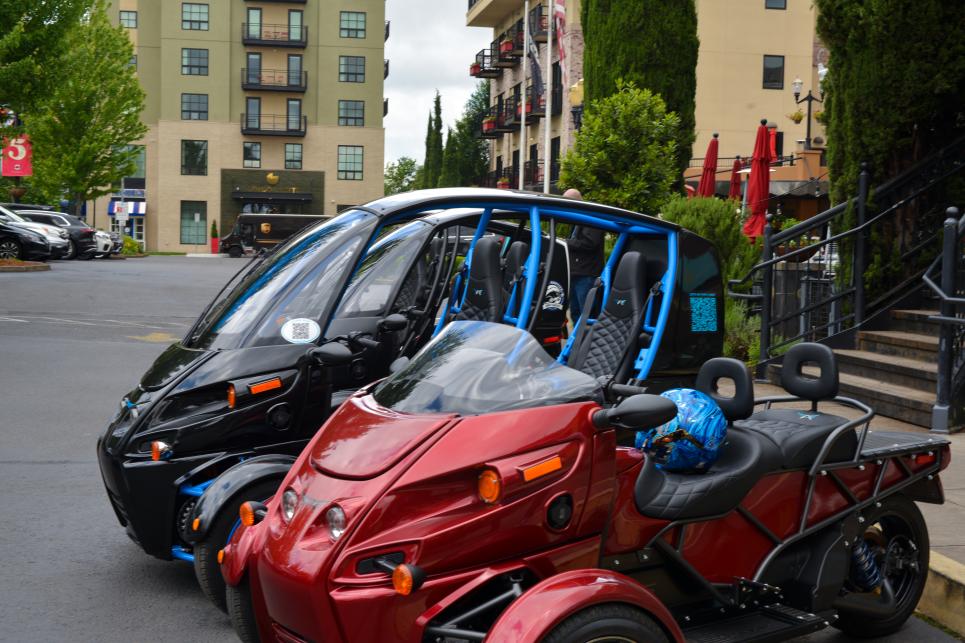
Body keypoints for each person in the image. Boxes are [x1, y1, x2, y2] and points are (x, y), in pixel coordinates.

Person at [563, 188, 605, 321]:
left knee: (587, 313)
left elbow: (590, 244)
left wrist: (566, 242)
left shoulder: (591, 217)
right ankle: (578, 341)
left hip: (587, 274)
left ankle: (588, 340)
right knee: (575, 312)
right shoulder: (578, 218)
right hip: (577, 273)